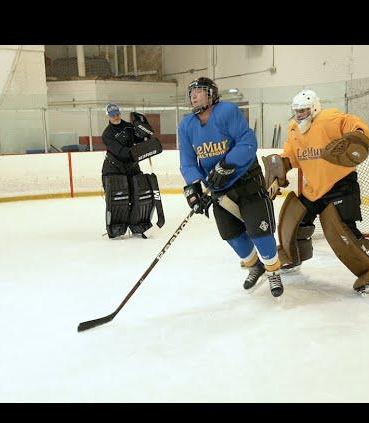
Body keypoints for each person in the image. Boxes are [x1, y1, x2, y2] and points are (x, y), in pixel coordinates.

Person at [262, 89, 369, 294]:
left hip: (341, 185)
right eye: (296, 111)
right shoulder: (294, 129)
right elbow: (290, 156)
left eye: (303, 111)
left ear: (314, 109)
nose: (299, 115)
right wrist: (279, 170)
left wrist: (359, 134)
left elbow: (354, 125)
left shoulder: (329, 119)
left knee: (341, 231)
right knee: (294, 218)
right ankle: (291, 256)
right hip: (315, 189)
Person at [178, 77, 283, 297]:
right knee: (232, 235)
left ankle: (273, 271)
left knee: (259, 232)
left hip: (247, 183)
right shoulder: (186, 125)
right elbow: (188, 163)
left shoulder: (226, 112)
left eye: (198, 91)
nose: (193, 96)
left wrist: (226, 164)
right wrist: (195, 187)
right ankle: (256, 265)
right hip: (219, 191)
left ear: (211, 94)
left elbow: (248, 143)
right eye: (191, 93)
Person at [101, 103, 165, 239]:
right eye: (112, 114)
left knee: (139, 194)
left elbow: (141, 139)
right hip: (114, 169)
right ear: (108, 116)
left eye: (117, 113)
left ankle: (138, 224)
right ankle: (117, 227)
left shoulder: (129, 127)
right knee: (118, 199)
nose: (115, 116)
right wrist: (138, 152)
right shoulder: (107, 134)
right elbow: (121, 152)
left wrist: (145, 136)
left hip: (131, 166)